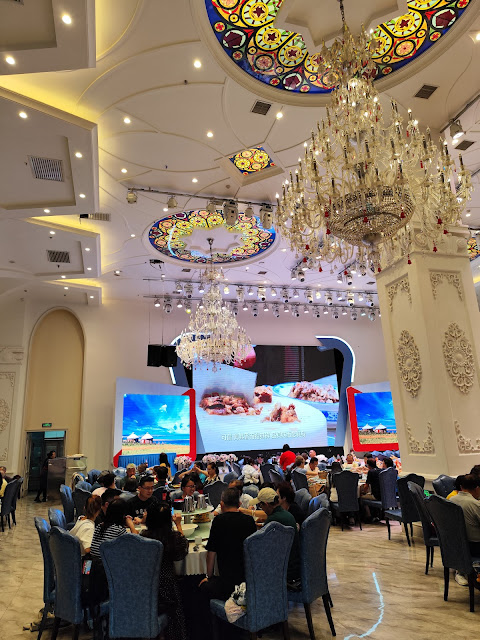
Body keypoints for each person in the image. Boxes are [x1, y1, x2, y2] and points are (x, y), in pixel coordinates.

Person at [141, 502, 188, 640]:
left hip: (145, 589)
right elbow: (182, 552)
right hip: (167, 589)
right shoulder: (172, 538)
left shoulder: (143, 538)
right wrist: (178, 525)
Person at [199, 487, 256, 600]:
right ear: (239, 504)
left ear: (222, 504)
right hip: (247, 580)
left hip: (226, 582)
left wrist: (208, 576)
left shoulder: (218, 521)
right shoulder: (249, 520)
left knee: (202, 587)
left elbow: (211, 553)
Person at [251, 487, 300, 583]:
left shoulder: (272, 520)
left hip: (283, 570)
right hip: (293, 565)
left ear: (266, 504)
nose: (262, 509)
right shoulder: (287, 514)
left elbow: (262, 546)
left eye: (261, 506)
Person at [450, 475, 480, 585]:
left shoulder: (451, 500)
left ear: (461, 487)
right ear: (477, 488)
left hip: (456, 546)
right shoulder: (475, 504)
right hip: (475, 547)